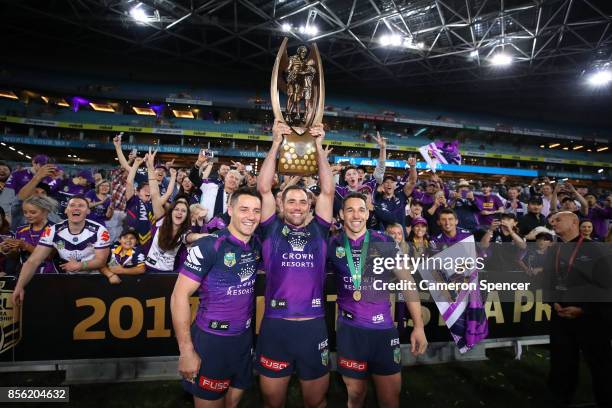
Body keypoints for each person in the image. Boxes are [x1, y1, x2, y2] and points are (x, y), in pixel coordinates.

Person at [255, 120, 334, 408]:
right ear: (281, 205)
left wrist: (318, 147)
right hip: (276, 328)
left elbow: (327, 191)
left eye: (303, 202)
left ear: (309, 206)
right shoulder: (270, 229)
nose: (298, 207)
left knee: (316, 402)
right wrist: (275, 143)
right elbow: (263, 188)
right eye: (292, 202)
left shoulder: (320, 230)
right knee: (272, 403)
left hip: (313, 327)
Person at [327, 192, 427, 408]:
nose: (356, 215)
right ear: (341, 214)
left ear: (368, 212)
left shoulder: (384, 241)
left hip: (383, 330)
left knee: (390, 399)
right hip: (349, 330)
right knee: (355, 394)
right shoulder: (332, 244)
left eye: (361, 209)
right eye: (350, 210)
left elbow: (408, 282)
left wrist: (419, 326)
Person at [170, 188, 262, 408]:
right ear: (229, 210)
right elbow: (179, 296)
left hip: (243, 339)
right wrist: (186, 351)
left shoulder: (256, 245)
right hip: (212, 340)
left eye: (256, 211)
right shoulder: (210, 244)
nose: (251, 216)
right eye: (244, 209)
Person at [544, 211, 612, 408]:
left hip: (592, 320)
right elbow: (548, 282)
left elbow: (606, 285)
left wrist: (585, 309)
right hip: (561, 318)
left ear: (574, 222)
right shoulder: (553, 249)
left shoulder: (595, 249)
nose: (553, 223)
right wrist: (553, 302)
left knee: (601, 367)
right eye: (552, 221)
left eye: (558, 219)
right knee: (561, 366)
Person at [11, 195, 112, 305]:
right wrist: (19, 286)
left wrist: (79, 265)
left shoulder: (99, 230)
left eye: (81, 206)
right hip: (65, 281)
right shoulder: (53, 231)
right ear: (66, 210)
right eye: (72, 205)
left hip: (94, 280)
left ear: (88, 211)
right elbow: (33, 260)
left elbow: (101, 260)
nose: (76, 208)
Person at [2, 196, 58, 274]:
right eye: (25, 212)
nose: (28, 215)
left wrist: (25, 245)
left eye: (33, 212)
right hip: (24, 275)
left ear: (45, 211)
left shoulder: (56, 229)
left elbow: (49, 256)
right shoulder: (20, 230)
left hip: (49, 275)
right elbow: (16, 256)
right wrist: (8, 250)